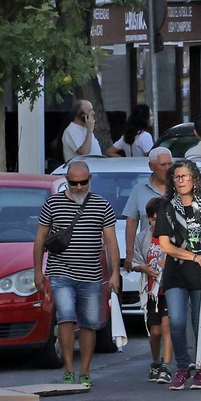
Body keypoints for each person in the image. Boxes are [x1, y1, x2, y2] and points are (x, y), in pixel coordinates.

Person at [33, 160, 119, 387]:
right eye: (74, 183)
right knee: (66, 318)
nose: (79, 187)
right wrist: (38, 272)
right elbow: (40, 239)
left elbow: (111, 242)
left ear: (90, 180)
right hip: (60, 272)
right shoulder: (53, 204)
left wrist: (115, 273)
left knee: (90, 323)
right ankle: (69, 369)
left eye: (83, 182)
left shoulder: (102, 205)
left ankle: (86, 371)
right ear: (67, 182)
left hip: (91, 275)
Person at [155, 159, 201, 390]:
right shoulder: (166, 207)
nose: (181, 181)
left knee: (200, 324)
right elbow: (165, 246)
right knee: (177, 322)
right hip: (176, 272)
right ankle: (182, 367)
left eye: (185, 176)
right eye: (177, 177)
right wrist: (193, 256)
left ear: (194, 178)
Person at [122, 148, 171, 283]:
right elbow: (131, 221)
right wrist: (130, 252)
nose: (167, 168)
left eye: (169, 164)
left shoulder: (179, 188)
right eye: (163, 165)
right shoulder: (139, 189)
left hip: (174, 256)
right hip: (148, 257)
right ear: (152, 166)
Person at [140, 199, 174, 385]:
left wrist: (169, 262)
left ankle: (167, 366)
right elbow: (134, 262)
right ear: (148, 219)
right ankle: (156, 361)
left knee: (167, 326)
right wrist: (144, 268)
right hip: (152, 291)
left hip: (168, 288)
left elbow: (180, 256)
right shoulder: (143, 238)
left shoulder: (173, 236)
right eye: (154, 220)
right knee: (155, 331)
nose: (157, 224)